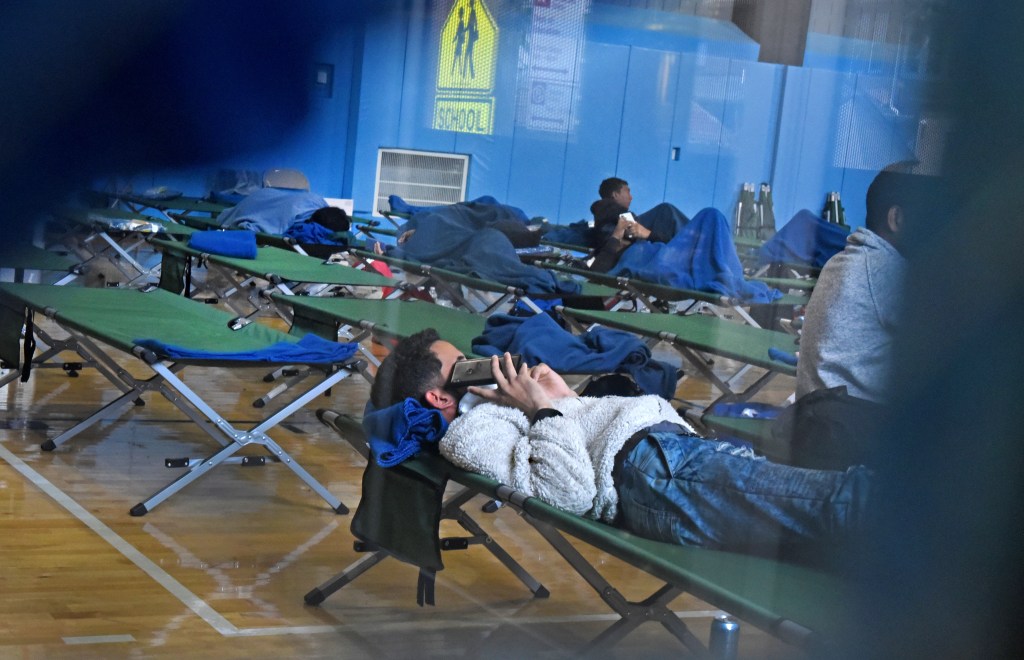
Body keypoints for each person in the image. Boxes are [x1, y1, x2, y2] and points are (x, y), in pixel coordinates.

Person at [369, 328, 871, 562]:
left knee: (841, 510)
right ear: (439, 395)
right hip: (656, 474)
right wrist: (544, 408)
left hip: (670, 460)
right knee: (849, 500)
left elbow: (572, 432)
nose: (485, 363)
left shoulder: (499, 407)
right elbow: (568, 492)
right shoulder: (470, 433)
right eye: (464, 365)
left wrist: (562, 397)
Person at [796, 167, 937, 403]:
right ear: (897, 219)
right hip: (854, 427)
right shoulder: (887, 270)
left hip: (818, 423)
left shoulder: (844, 259)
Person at [588, 177, 689, 272]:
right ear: (615, 195)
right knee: (666, 210)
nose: (631, 197)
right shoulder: (610, 212)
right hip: (626, 255)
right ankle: (693, 242)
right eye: (627, 191)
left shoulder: (606, 213)